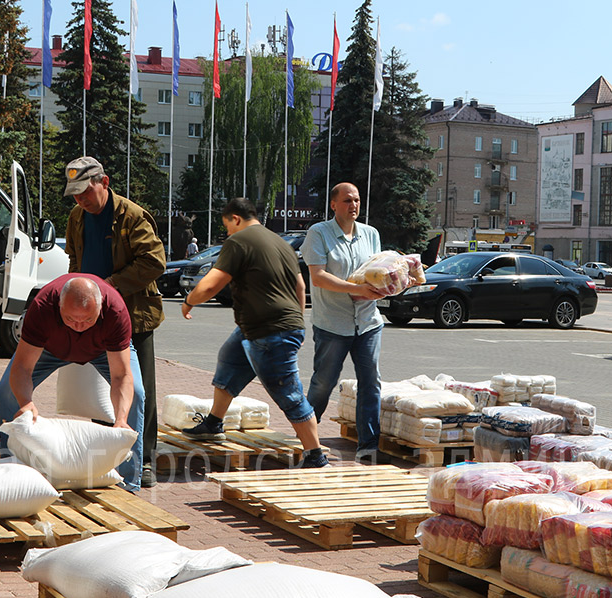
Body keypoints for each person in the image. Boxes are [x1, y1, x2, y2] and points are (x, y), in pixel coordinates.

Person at [180, 198, 329, 469]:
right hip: (263, 327)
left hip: (270, 332)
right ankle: (214, 422)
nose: (227, 233)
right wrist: (298, 321)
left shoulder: (239, 241)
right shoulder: (280, 242)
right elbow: (299, 285)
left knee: (289, 393)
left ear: (236, 219)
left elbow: (212, 285)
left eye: (227, 226)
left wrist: (190, 300)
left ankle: (315, 455)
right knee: (230, 357)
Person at [63, 156, 165, 488]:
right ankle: (108, 453)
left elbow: (154, 262)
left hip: (133, 316)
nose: (80, 199)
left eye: (85, 192)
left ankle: (144, 458)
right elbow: (74, 260)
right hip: (92, 316)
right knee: (102, 390)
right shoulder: (77, 217)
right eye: (75, 194)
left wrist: (109, 286)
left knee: (138, 389)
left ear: (104, 182)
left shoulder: (132, 216)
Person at [0, 275, 145, 491]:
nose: (79, 327)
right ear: (59, 307)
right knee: (6, 392)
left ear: (100, 309)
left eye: (88, 320)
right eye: (71, 319)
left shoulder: (116, 310)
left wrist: (120, 419)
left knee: (136, 394)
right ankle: (11, 466)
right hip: (50, 348)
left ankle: (127, 482)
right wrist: (25, 402)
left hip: (103, 349)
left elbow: (121, 376)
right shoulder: (42, 307)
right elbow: (22, 368)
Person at [303, 182, 386, 461]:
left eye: (357, 200)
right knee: (323, 384)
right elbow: (318, 277)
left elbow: (377, 271)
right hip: (332, 324)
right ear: (333, 204)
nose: (354, 206)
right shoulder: (319, 233)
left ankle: (368, 447)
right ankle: (308, 443)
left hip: (368, 322)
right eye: (348, 201)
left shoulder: (370, 234)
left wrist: (396, 279)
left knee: (370, 382)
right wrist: (356, 290)